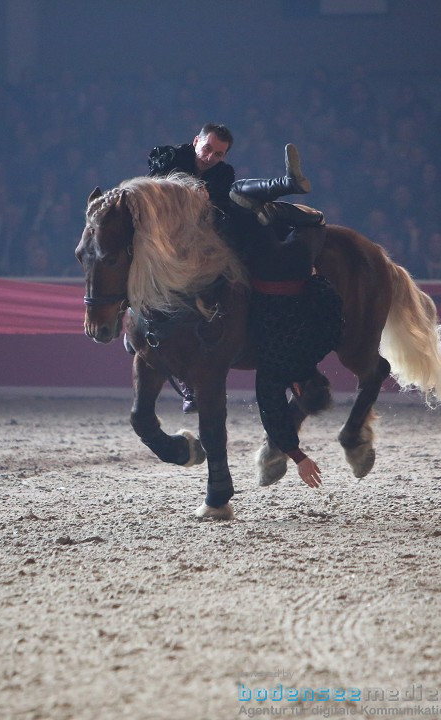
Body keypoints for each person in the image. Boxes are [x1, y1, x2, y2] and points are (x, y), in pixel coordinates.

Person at [146, 123, 320, 412]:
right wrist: (191, 194)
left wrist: (210, 204)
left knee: (240, 198)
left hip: (205, 235)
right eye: (208, 149)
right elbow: (154, 191)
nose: (211, 157)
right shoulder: (170, 157)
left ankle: (287, 189)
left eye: (219, 154)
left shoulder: (223, 173)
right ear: (195, 141)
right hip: (166, 236)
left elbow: (221, 213)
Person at [234, 195, 340, 489]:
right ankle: (266, 207)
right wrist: (298, 456)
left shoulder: (321, 344)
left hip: (297, 266)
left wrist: (315, 278)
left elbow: (331, 305)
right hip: (263, 269)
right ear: (297, 390)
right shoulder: (273, 369)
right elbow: (273, 416)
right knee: (245, 216)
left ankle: (281, 207)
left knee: (317, 220)